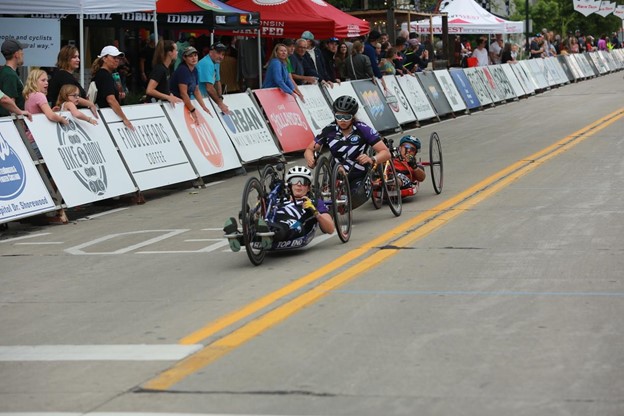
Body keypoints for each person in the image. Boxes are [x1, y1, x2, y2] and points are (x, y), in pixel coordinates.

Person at [304, 95, 391, 210]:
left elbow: (385, 152)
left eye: (347, 117)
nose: (342, 121)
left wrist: (372, 159)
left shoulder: (363, 129)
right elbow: (309, 149)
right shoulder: (329, 130)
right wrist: (310, 158)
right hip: (335, 172)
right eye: (339, 117)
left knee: (350, 202)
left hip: (357, 173)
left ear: (353, 117)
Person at [223, 166, 334, 252]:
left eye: (303, 182)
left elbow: (330, 229)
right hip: (270, 222)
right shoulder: (279, 198)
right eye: (295, 181)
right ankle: (236, 235)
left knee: (283, 227)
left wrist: (315, 212)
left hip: (293, 224)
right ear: (289, 185)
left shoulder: (314, 202)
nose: (299, 185)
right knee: (261, 226)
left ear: (308, 187)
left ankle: (266, 234)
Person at [23, 68, 69, 157]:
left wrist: (51, 111)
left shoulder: (30, 96)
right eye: (43, 80)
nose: (46, 83)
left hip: (31, 138)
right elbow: (51, 116)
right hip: (38, 139)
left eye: (47, 80)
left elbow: (38, 113)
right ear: (34, 82)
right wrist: (62, 120)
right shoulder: (39, 95)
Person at [47, 45, 98, 118]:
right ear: (66, 59)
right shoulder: (64, 76)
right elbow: (73, 97)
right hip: (66, 117)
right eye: (74, 57)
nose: (78, 60)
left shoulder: (65, 75)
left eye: (78, 57)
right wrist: (90, 104)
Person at [91, 45, 134, 130]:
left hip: (105, 117)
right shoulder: (105, 75)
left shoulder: (103, 74)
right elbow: (110, 99)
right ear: (104, 58)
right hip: (106, 118)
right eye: (114, 57)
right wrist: (125, 119)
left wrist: (118, 95)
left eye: (118, 57)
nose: (117, 60)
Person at [170, 46, 212, 123]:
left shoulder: (194, 70)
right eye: (190, 56)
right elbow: (183, 93)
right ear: (184, 58)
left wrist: (204, 106)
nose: (194, 58)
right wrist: (192, 109)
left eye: (195, 55)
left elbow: (196, 90)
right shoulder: (183, 70)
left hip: (182, 102)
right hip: (174, 103)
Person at [145, 39, 182, 106]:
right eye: (176, 50)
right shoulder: (159, 69)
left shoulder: (166, 68)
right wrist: (168, 97)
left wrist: (170, 95)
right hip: (153, 105)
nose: (177, 52)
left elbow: (162, 88)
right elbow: (149, 90)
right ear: (170, 53)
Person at [197, 42, 230, 114]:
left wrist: (220, 98)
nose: (221, 57)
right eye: (218, 53)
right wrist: (220, 104)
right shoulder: (206, 63)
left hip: (204, 98)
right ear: (210, 52)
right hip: (195, 99)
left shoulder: (216, 62)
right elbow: (209, 88)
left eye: (223, 54)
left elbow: (218, 81)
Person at [0, 38, 26, 117]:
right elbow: (10, 103)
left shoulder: (8, 72)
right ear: (16, 54)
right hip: (10, 122)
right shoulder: (9, 75)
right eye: (22, 51)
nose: (23, 54)